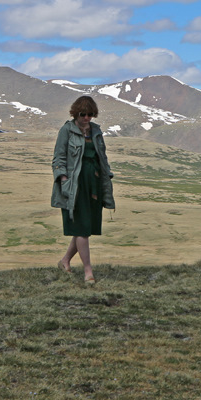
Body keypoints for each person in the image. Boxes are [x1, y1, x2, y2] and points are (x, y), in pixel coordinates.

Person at [51, 96, 115, 284]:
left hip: (93, 184)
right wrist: (64, 181)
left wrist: (106, 179)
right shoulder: (67, 131)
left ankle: (64, 261)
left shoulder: (96, 131)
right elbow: (58, 158)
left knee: (84, 227)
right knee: (81, 228)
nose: (87, 118)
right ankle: (88, 271)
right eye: (83, 114)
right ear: (75, 113)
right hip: (75, 185)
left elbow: (102, 157)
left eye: (90, 114)